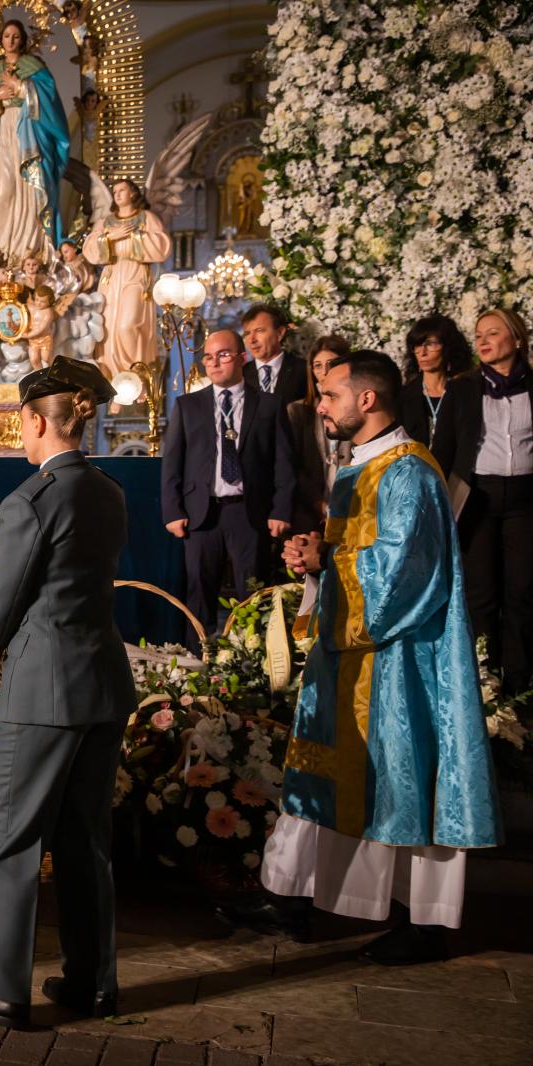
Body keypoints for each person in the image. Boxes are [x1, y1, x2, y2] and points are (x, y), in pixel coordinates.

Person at [224, 351, 500, 964]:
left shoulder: (410, 473)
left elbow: (410, 575)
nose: (319, 406)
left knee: (404, 781)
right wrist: (314, 552)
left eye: (329, 396)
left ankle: (426, 923)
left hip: (399, 661)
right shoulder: (358, 468)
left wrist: (329, 560)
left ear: (367, 400)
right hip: (348, 653)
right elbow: (358, 551)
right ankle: (288, 896)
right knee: (318, 771)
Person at [0, 359, 132, 1028]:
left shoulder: (31, 498)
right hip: (100, 684)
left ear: (37, 419)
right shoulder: (107, 491)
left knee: (13, 841)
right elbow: (60, 579)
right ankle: (92, 982)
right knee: (86, 842)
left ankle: (1, 989)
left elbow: (4, 607)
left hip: (43, 693)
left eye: (21, 421)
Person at [161, 330, 294, 641]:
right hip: (201, 513)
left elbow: (284, 463)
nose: (214, 361)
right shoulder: (188, 406)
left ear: (241, 358)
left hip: (249, 512)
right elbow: (172, 465)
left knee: (253, 593)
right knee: (198, 593)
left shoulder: (270, 405)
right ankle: (198, 662)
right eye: (209, 356)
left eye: (223, 354)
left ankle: (251, 663)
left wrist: (281, 509)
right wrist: (172, 511)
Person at [432, 308, 533, 696]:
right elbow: (444, 448)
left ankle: (520, 681)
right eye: (478, 335)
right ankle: (483, 680)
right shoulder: (463, 387)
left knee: (522, 590)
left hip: (526, 501)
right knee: (481, 592)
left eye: (493, 333)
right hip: (477, 499)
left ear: (517, 339)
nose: (483, 340)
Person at [0, 19, 70, 259]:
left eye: (16, 36)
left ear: (23, 40)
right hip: (3, 133)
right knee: (3, 191)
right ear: (1, 40)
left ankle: (31, 250)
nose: (11, 40)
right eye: (7, 35)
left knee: (29, 189)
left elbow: (51, 103)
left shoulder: (34, 67)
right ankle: (2, 252)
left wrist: (23, 87)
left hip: (29, 134)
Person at [85, 179, 172, 380]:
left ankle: (136, 374)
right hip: (112, 276)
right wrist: (109, 238)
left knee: (127, 325)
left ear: (133, 193)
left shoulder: (146, 218)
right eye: (115, 191)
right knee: (108, 327)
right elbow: (89, 251)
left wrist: (134, 238)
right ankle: (114, 379)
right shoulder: (105, 222)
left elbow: (162, 247)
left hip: (136, 274)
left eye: (122, 190)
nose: (117, 194)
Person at [284, 335, 353, 534]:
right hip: (309, 512)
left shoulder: (356, 410)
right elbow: (293, 467)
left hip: (353, 508)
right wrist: (318, 504)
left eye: (331, 364)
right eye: (317, 366)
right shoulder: (297, 411)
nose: (324, 372)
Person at [399, 314, 473, 451]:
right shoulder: (404, 397)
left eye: (431, 344)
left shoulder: (466, 392)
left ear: (447, 347)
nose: (422, 352)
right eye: (417, 345)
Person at [241, 303, 309, 404]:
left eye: (259, 331)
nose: (251, 340)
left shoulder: (304, 370)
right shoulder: (241, 375)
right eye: (247, 333)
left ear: (280, 333)